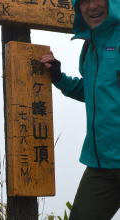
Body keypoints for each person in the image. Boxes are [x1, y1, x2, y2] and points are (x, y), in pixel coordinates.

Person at [41, 0, 120, 219]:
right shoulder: (90, 45)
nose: (91, 6)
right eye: (83, 1)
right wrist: (59, 77)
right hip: (101, 162)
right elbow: (96, 93)